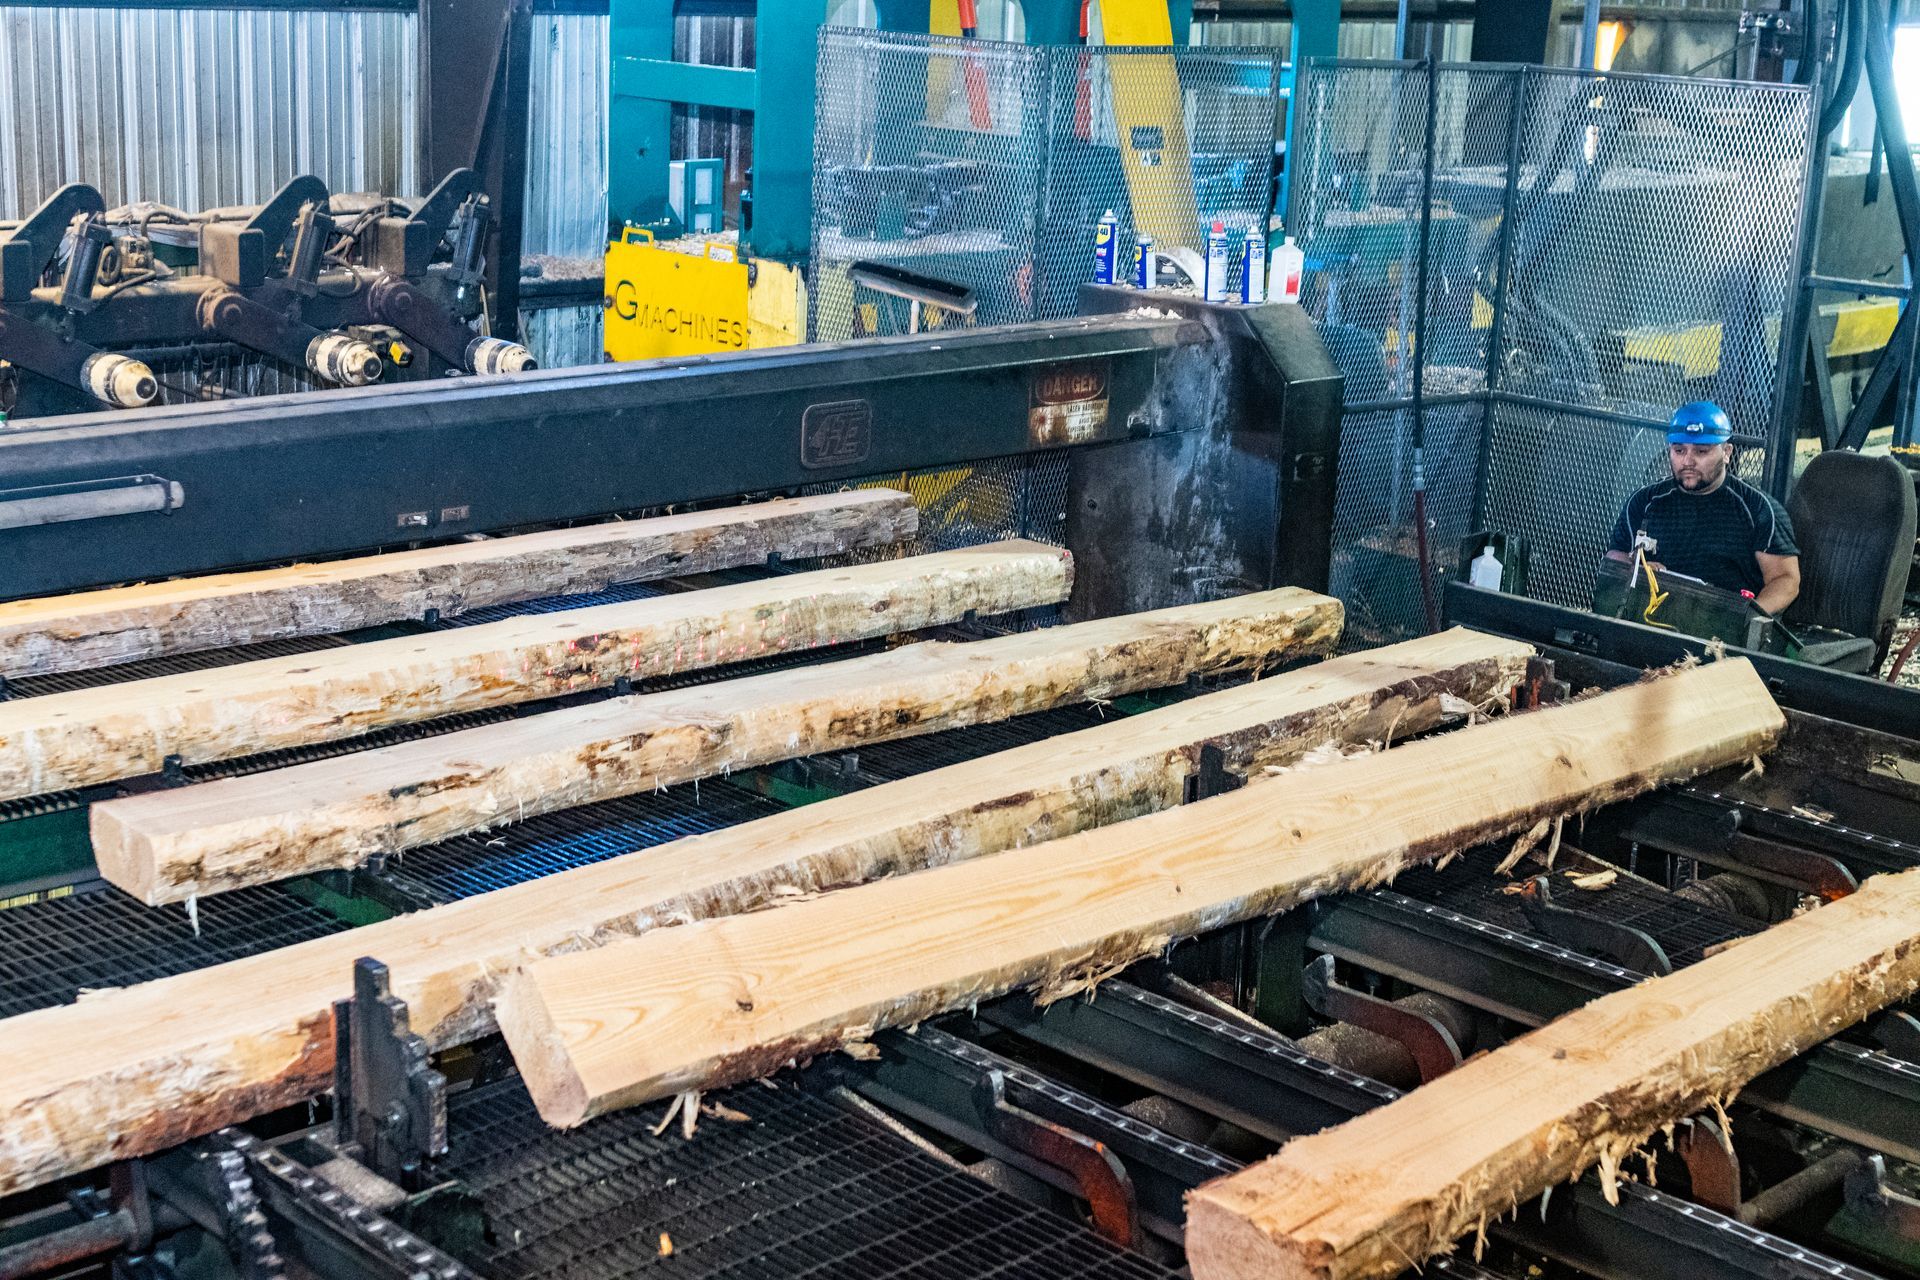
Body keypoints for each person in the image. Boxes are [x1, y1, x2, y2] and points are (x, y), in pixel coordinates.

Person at [1604, 401, 1801, 615]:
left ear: (1726, 452)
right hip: (1651, 617)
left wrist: (1744, 623)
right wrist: (1636, 571)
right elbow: (1614, 555)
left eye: (1701, 451)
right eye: (1679, 450)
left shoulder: (1759, 509)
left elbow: (1786, 580)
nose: (1688, 461)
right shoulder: (1644, 501)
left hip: (1722, 628)